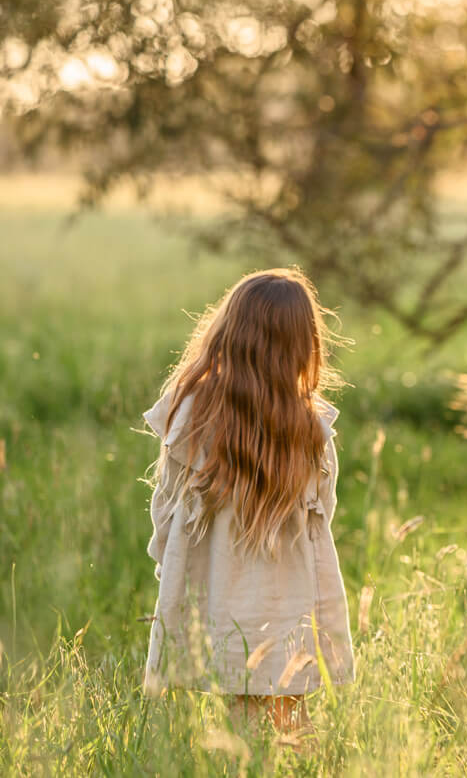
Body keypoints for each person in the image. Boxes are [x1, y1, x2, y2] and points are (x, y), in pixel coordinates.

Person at [142, 267, 355, 734]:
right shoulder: (311, 426)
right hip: (290, 591)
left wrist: (167, 563)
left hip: (219, 584)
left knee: (239, 707)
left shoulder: (192, 411)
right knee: (291, 711)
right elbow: (325, 510)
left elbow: (166, 500)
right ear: (304, 344)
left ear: (227, 333)